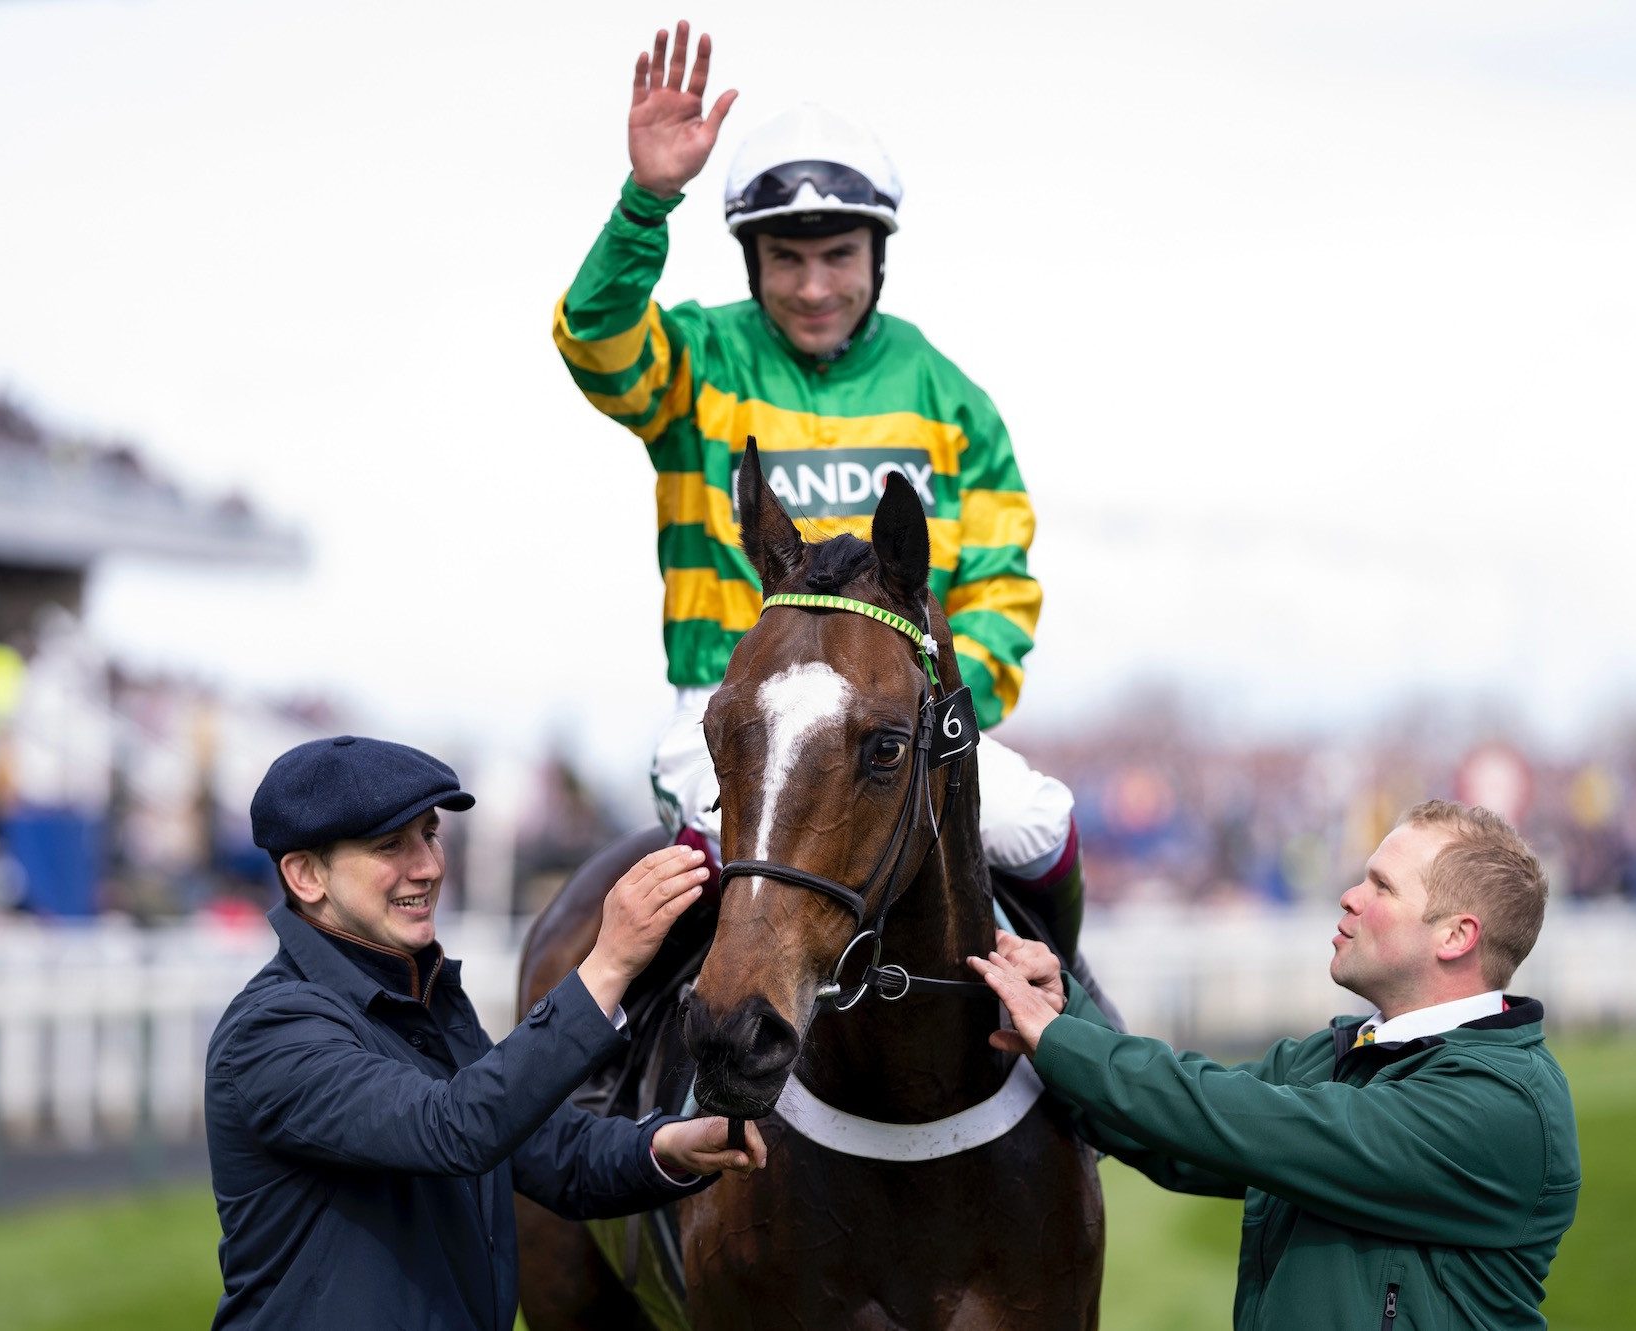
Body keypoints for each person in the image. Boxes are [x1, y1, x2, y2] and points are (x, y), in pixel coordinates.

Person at [552, 21, 1085, 955]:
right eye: (785, 260)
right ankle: (639, 1069)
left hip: (905, 720)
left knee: (1040, 822)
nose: (811, 286)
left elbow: (1003, 590)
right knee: (736, 857)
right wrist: (647, 201)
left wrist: (930, 707)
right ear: (752, 262)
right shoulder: (698, 359)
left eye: (836, 255)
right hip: (738, 716)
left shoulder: (952, 401)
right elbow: (596, 345)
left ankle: (1067, 1008)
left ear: (878, 256)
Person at [204, 735, 768, 1330]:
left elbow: (550, 1152)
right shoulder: (271, 1032)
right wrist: (607, 966)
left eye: (429, 833)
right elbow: (456, 1130)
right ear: (305, 875)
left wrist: (662, 1147)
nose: (428, 866)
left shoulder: (425, 997)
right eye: (390, 844)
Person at [971, 799, 1581, 1329]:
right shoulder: (1342, 1053)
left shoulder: (1504, 1104)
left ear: (1455, 936)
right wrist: (1062, 1009)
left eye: (1382, 886)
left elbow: (1234, 1117)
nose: (1349, 895)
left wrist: (1061, 1040)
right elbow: (1178, 1132)